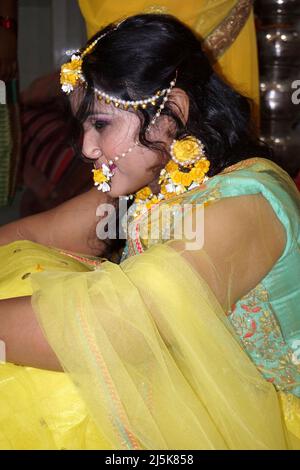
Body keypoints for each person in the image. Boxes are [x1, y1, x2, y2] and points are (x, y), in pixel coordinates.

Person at [0, 14, 299, 450]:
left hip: (261, 418)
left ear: (171, 112)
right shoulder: (160, 179)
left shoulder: (244, 205)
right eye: (83, 126)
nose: (86, 147)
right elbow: (40, 233)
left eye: (101, 124)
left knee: (47, 389)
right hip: (193, 387)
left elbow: (120, 328)